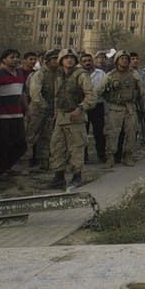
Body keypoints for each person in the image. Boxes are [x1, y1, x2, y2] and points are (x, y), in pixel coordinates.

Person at [48, 48, 95, 188]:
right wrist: (55, 115)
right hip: (61, 117)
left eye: (72, 58)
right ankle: (59, 176)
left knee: (76, 148)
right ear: (61, 61)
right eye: (66, 58)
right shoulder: (58, 76)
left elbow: (91, 96)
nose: (69, 60)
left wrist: (80, 108)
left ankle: (76, 176)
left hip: (76, 117)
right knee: (57, 147)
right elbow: (57, 97)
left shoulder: (81, 75)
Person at [95, 51, 145, 168]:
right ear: (117, 60)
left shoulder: (134, 74)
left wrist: (144, 106)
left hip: (130, 107)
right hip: (115, 107)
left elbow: (142, 92)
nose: (124, 60)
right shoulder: (111, 75)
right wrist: (106, 98)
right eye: (122, 58)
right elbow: (98, 90)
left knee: (131, 132)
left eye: (126, 58)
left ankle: (128, 156)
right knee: (112, 133)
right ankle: (110, 158)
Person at [0, 48, 29, 177]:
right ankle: (0, 170)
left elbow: (22, 93)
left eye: (17, 57)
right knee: (2, 144)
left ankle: (7, 166)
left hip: (17, 114)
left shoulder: (20, 73)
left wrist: (27, 109)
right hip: (2, 114)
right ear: (4, 59)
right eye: (12, 57)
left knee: (20, 144)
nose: (15, 59)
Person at [25, 49, 59, 171]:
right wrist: (44, 106)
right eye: (55, 59)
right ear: (48, 61)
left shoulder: (59, 74)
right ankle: (25, 163)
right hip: (37, 109)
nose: (57, 61)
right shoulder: (39, 74)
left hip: (51, 110)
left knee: (47, 137)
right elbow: (35, 93)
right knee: (30, 136)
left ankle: (44, 162)